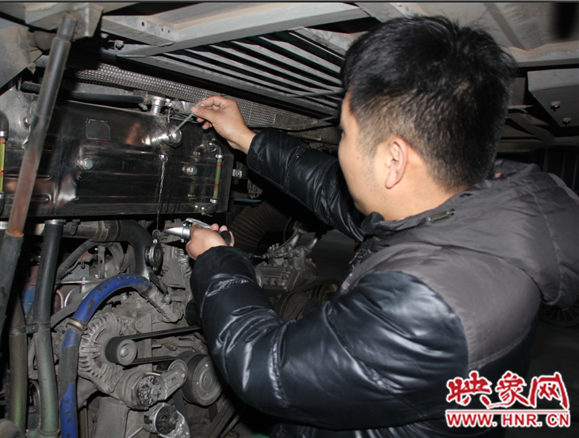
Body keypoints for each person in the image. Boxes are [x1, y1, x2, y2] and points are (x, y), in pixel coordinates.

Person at [183, 16, 579, 438]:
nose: (341, 148)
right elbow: (333, 190)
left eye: (345, 134)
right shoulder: (479, 209)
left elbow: (265, 369)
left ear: (394, 161)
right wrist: (247, 139)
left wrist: (217, 261)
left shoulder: (425, 309)